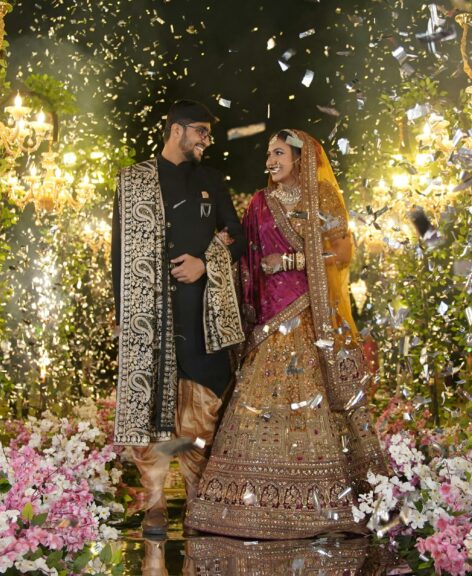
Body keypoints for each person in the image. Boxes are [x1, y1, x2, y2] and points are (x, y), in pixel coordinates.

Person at [184, 129, 388, 539]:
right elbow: (246, 257)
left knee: (315, 400)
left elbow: (343, 252)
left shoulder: (321, 196)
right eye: (268, 154)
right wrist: (214, 252)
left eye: (278, 153)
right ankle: (249, 502)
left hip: (311, 316)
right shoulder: (260, 203)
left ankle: (326, 502)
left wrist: (292, 260)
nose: (270, 161)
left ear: (299, 158)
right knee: (258, 402)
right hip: (269, 319)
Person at [111, 99, 246, 536]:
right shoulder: (134, 181)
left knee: (203, 408)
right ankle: (153, 503)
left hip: (201, 314)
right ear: (177, 130)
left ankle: (195, 497)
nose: (207, 140)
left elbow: (236, 235)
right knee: (148, 405)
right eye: (201, 131)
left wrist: (205, 263)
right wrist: (124, 314)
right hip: (148, 314)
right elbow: (119, 253)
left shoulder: (211, 180)